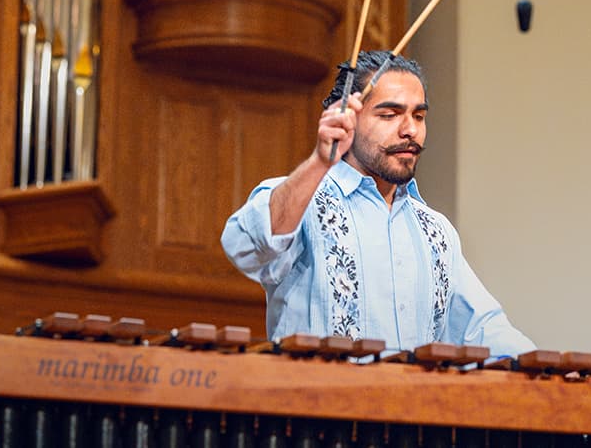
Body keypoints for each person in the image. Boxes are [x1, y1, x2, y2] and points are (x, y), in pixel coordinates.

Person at [221, 51, 535, 357]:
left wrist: (556, 376)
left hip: (408, 408)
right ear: (346, 120)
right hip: (317, 407)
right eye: (389, 115)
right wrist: (319, 162)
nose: (410, 130)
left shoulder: (436, 231)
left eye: (419, 115)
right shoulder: (304, 201)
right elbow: (243, 247)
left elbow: (481, 328)